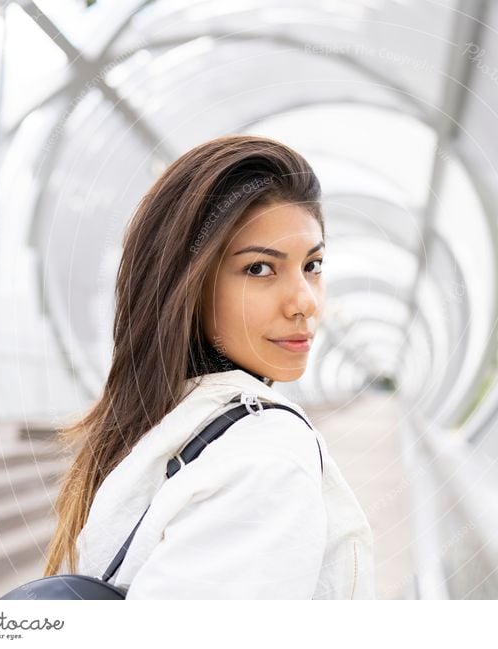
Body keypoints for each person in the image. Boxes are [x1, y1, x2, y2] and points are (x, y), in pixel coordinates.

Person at [42, 134, 376, 598]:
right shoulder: (267, 459)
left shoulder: (163, 429)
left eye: (313, 264)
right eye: (260, 269)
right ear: (188, 285)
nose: (305, 301)